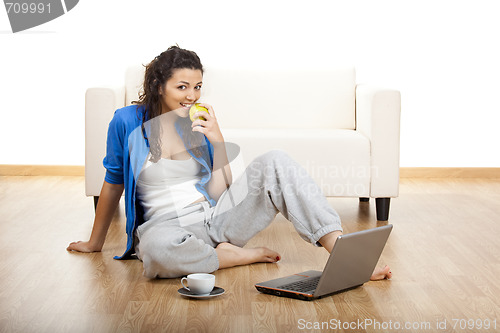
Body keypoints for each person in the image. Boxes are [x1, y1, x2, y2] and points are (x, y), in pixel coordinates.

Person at [67, 46, 391, 281]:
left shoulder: (195, 123)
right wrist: (95, 243)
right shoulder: (125, 122)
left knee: (275, 160)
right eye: (182, 87)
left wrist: (218, 139)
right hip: (162, 228)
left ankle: (342, 252)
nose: (191, 96)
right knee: (154, 251)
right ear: (157, 85)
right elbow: (113, 182)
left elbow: (219, 190)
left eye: (196, 87)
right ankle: (227, 257)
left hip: (213, 220)